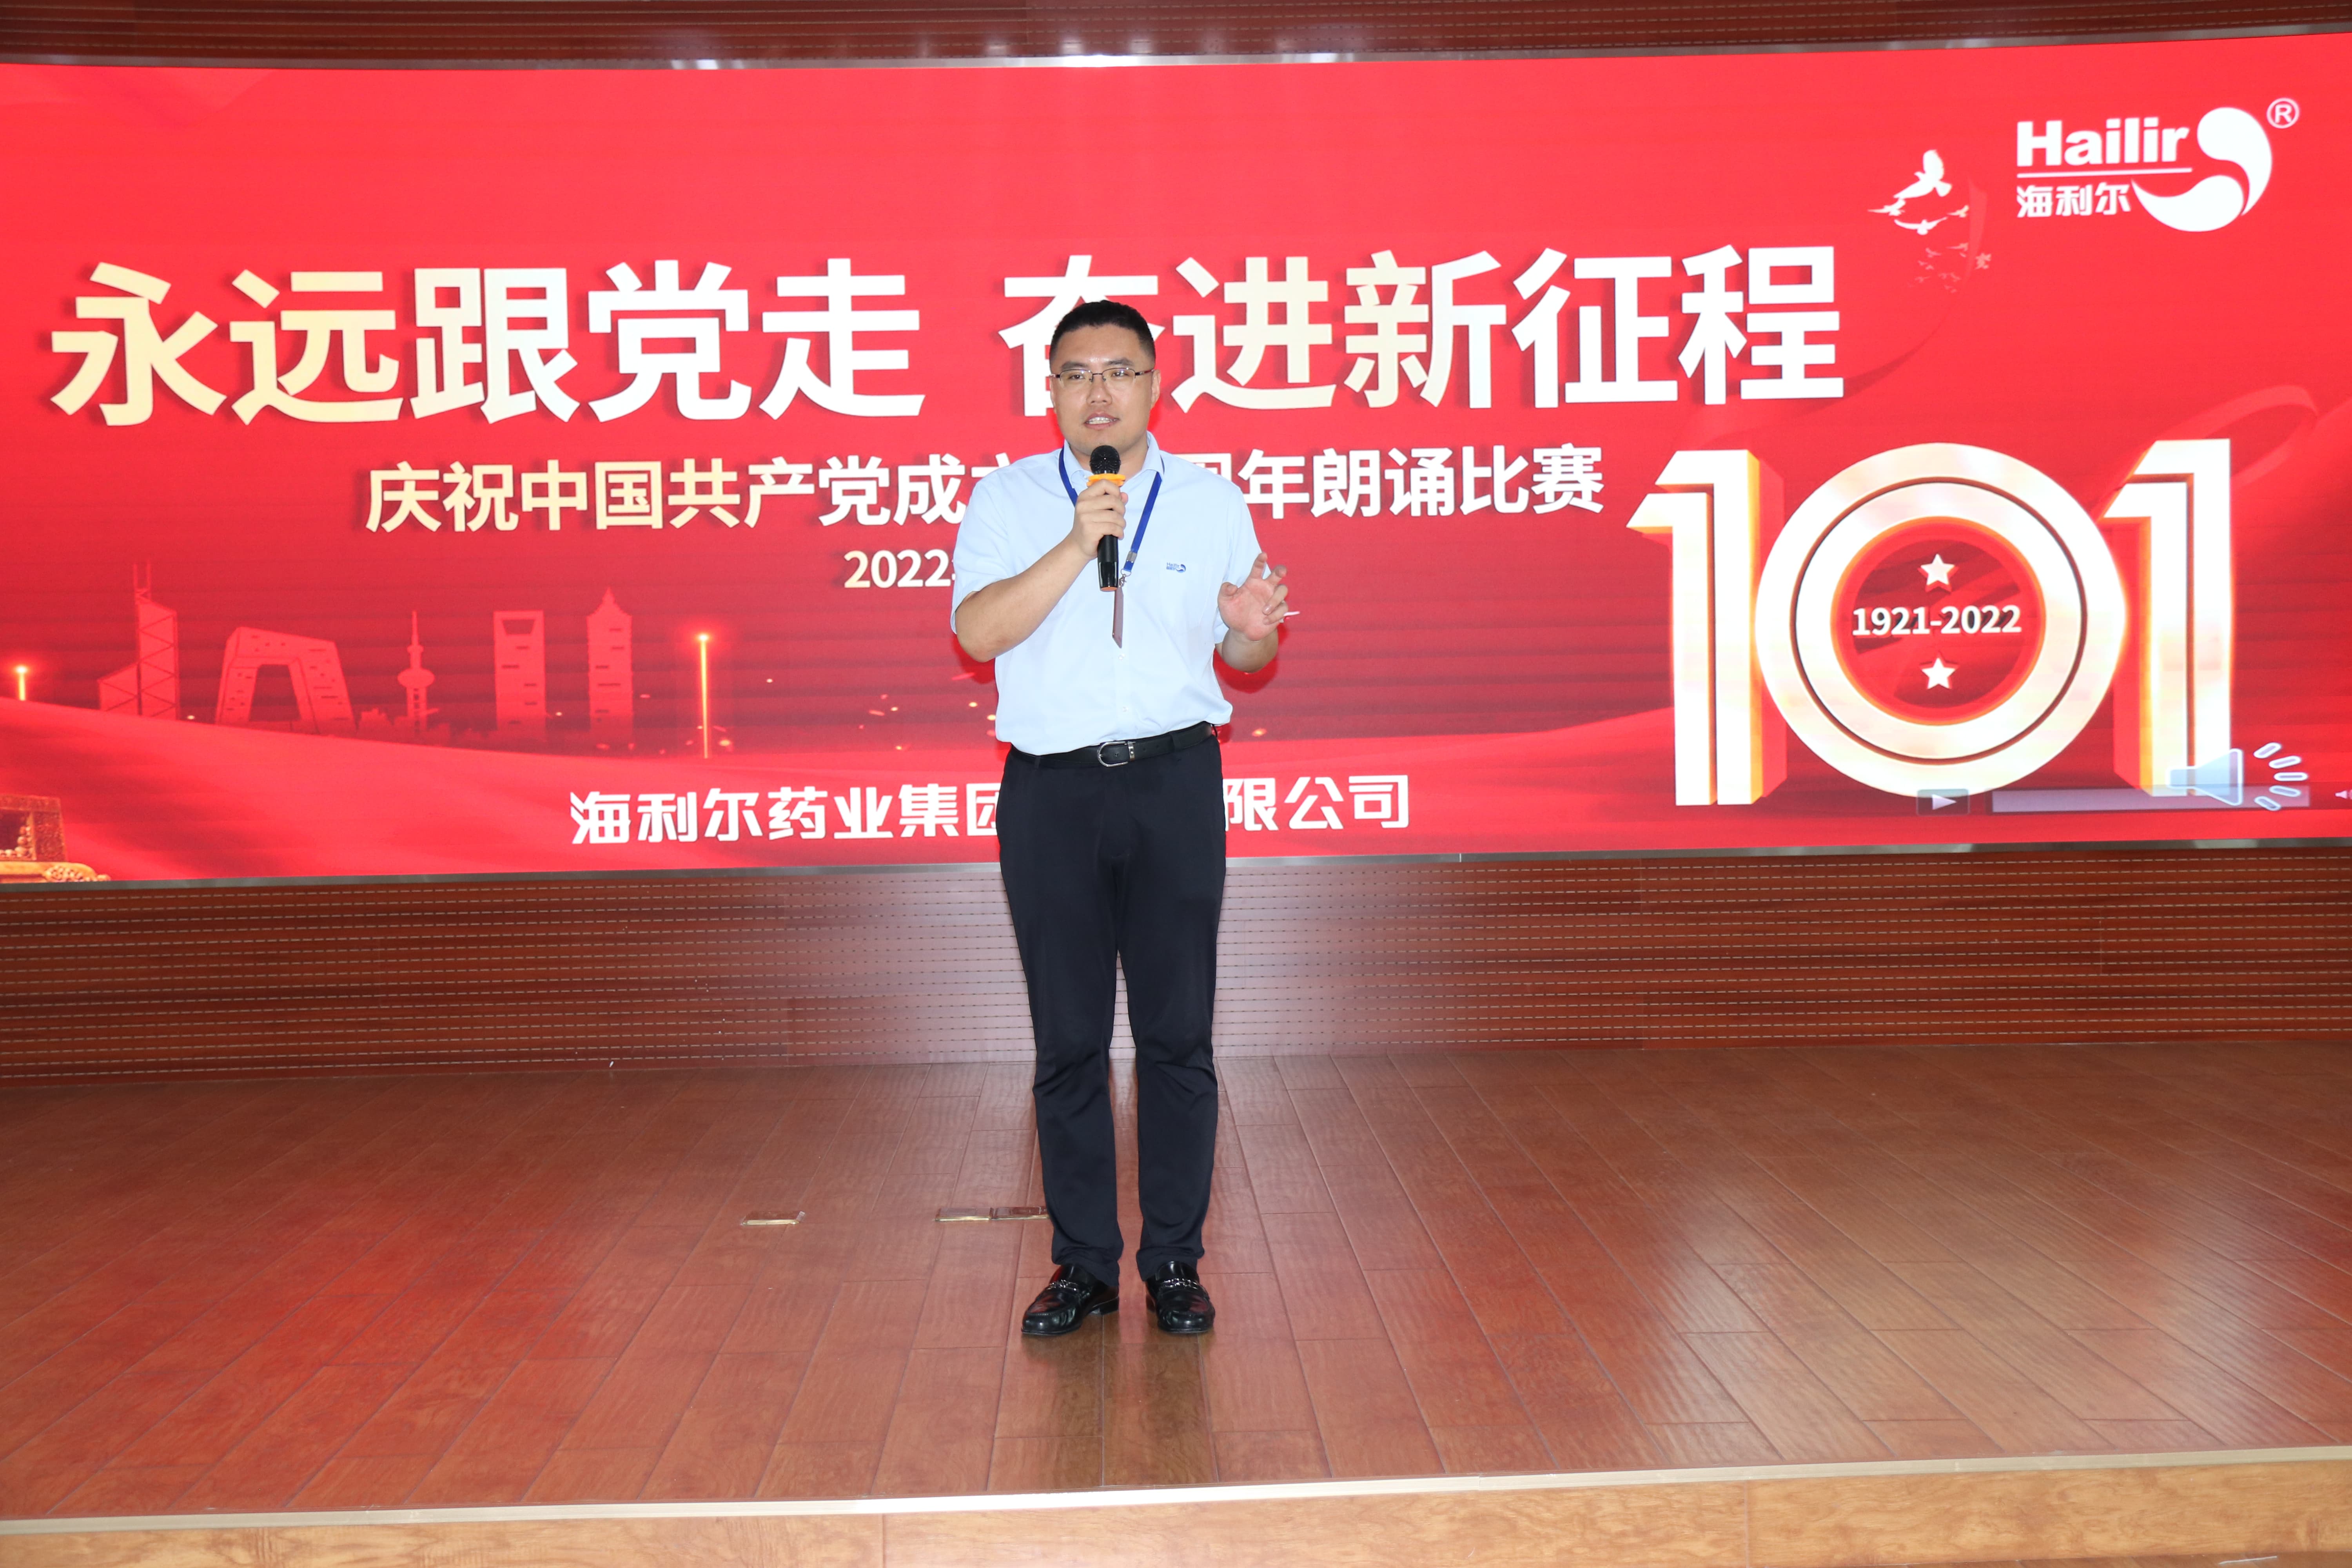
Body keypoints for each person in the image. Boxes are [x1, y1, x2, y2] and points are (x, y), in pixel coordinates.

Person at [951, 299, 1289, 1337]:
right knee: (1068, 1041)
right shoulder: (1007, 499)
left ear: (1154, 385)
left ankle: (1176, 1263)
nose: (1099, 393)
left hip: (1173, 783)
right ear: (1050, 390)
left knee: (1178, 1036)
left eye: (1120, 371)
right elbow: (977, 632)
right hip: (1050, 793)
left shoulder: (1210, 500)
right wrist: (1075, 543)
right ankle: (1084, 1266)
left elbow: (1248, 655)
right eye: (1077, 374)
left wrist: (1249, 634)